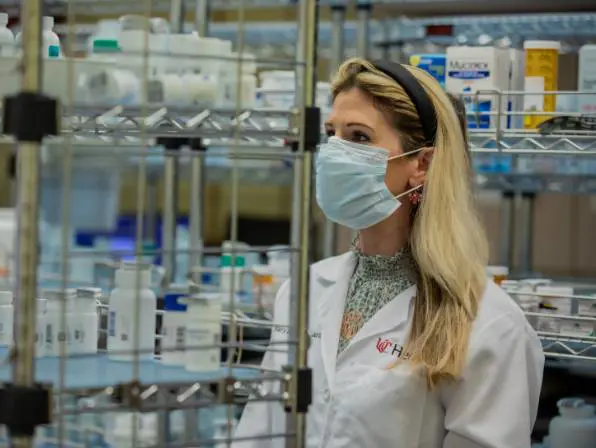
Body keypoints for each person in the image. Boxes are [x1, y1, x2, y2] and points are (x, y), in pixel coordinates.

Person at [233, 59, 544, 448]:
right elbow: (259, 432)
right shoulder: (303, 290)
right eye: (332, 133)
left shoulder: (488, 324)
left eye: (359, 137)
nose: (334, 153)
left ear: (421, 164)